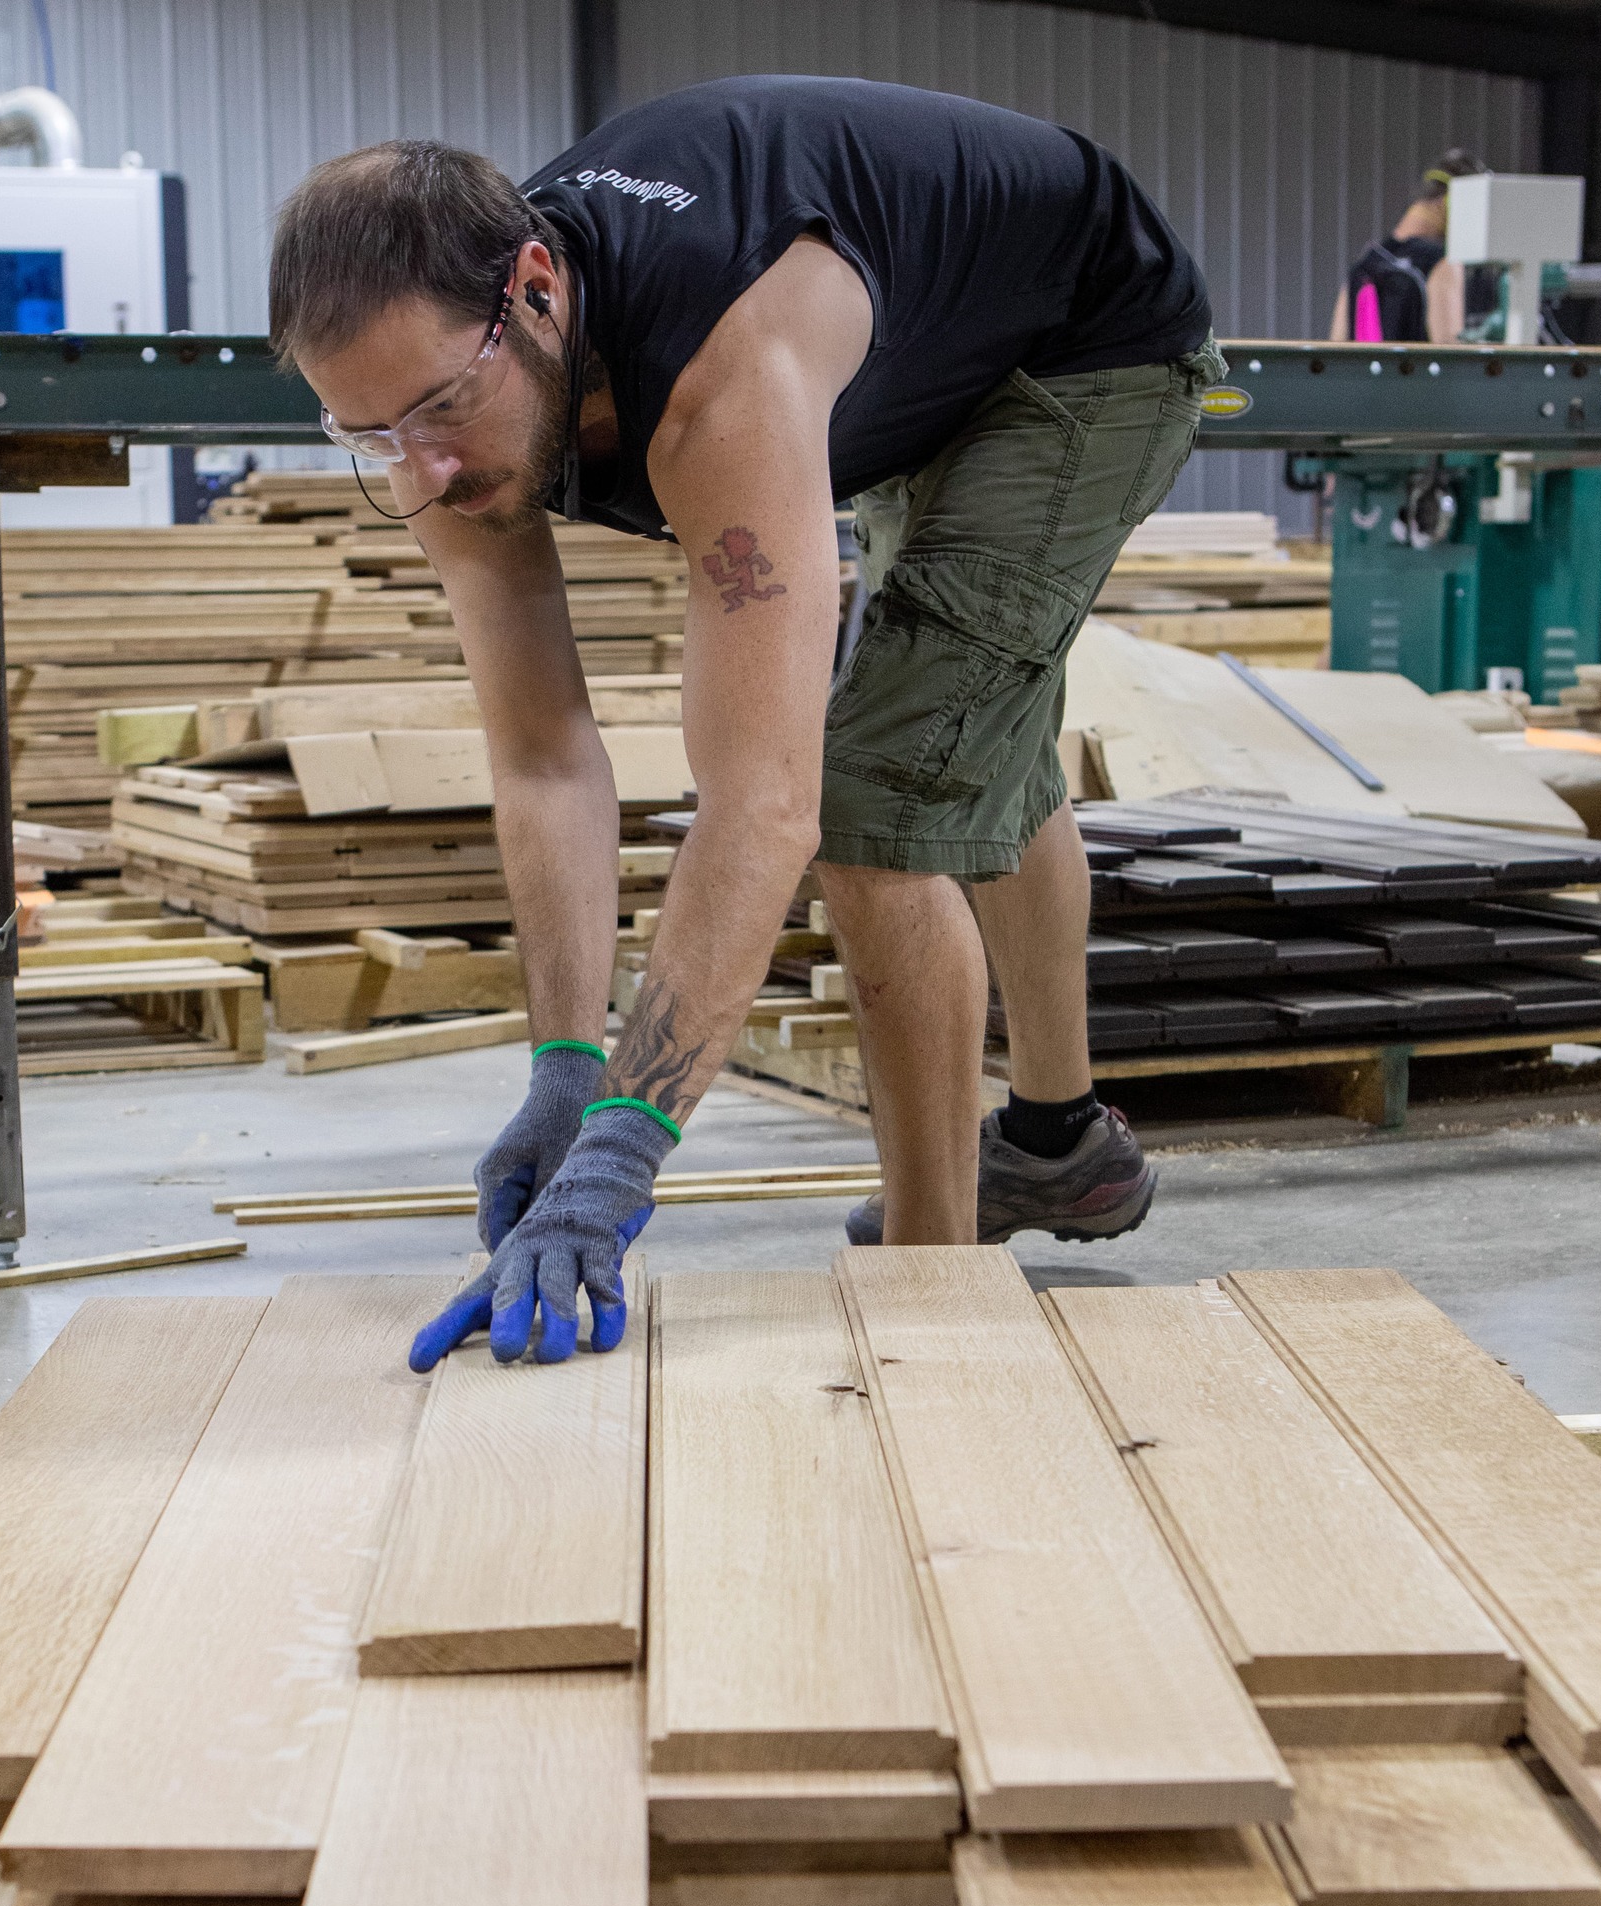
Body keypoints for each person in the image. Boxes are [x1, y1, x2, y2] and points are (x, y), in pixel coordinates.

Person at [268, 76, 1221, 1369]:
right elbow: (545, 757)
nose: (420, 469)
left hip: (1079, 334)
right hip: (923, 334)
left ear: (536, 290)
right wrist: (565, 1070)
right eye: (368, 433)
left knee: (881, 798)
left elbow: (766, 809)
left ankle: (932, 1292)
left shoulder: (720, 370)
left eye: (437, 412)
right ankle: (1061, 1147)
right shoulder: (445, 388)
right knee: (965, 728)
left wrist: (622, 1149)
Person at [1330, 148, 1488, 345]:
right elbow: (1449, 349)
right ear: (1451, 202)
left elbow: (1337, 343)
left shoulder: (1365, 264)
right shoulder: (1442, 263)